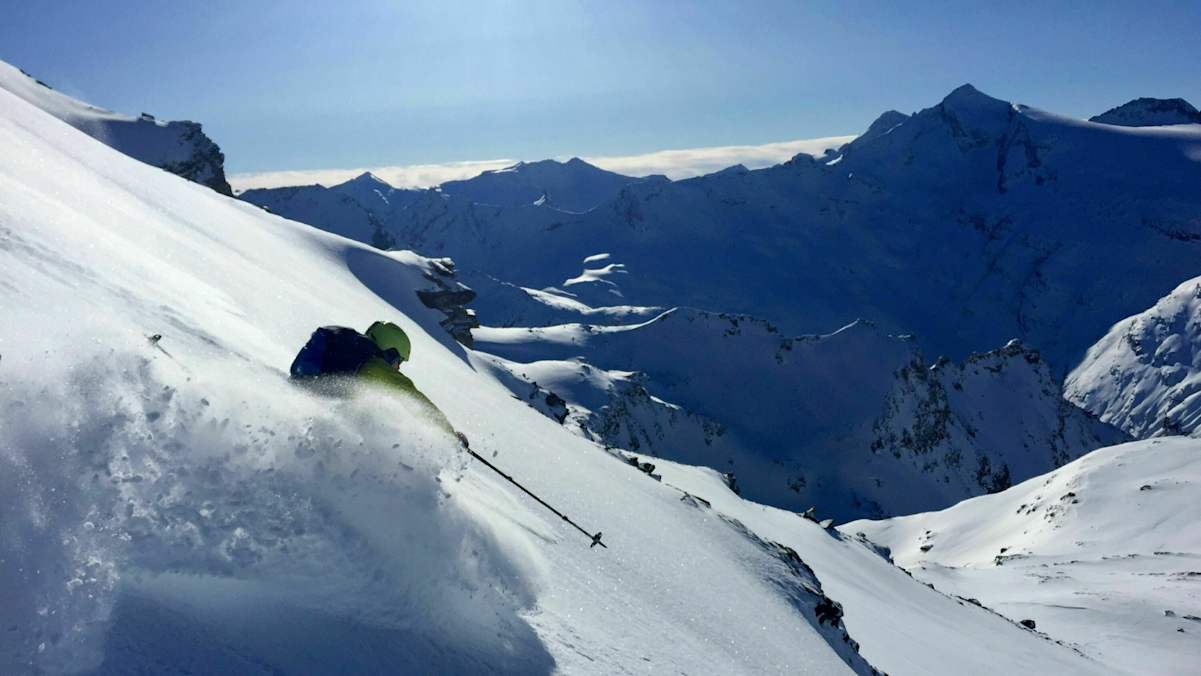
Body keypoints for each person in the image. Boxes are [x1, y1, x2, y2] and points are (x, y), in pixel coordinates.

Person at [290, 321, 461, 440]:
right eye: (398, 361)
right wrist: (449, 434)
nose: (397, 368)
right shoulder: (374, 366)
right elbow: (413, 398)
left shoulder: (348, 351)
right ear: (390, 350)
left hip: (302, 403)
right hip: (326, 423)